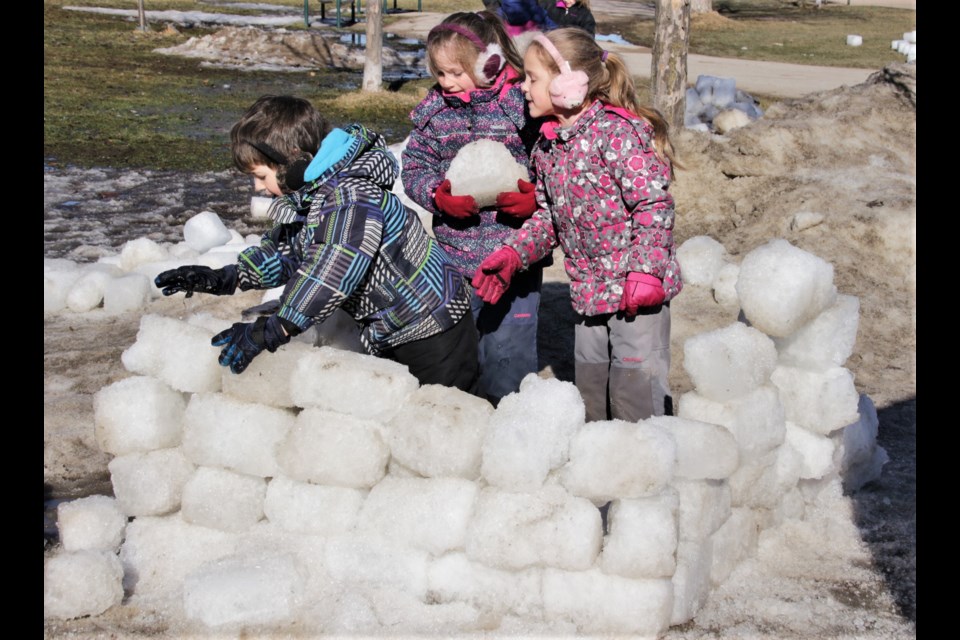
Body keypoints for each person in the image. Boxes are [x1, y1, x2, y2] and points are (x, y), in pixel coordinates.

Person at [154, 95, 480, 393]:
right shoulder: (319, 191)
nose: (258, 186)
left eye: (261, 175)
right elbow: (293, 248)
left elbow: (331, 270)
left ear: (293, 161)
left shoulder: (351, 195)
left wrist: (276, 327)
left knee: (442, 418)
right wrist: (227, 277)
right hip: (395, 323)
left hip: (432, 326)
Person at [472, 28, 683, 422]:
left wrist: (646, 271)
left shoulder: (617, 134)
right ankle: (600, 463)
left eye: (532, 78)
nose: (523, 88)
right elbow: (549, 215)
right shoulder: (549, 147)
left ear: (569, 81)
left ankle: (645, 468)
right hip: (590, 293)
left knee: (636, 391)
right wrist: (513, 253)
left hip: (636, 292)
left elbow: (653, 204)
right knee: (591, 387)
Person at [401, 11, 549, 406]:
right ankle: (463, 414)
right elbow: (415, 165)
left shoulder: (522, 106)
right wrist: (436, 196)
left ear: (490, 62)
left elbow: (551, 158)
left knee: (508, 351)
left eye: (456, 72)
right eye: (440, 73)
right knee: (458, 346)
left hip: (515, 255)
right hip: (454, 255)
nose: (447, 82)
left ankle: (508, 413)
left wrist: (536, 196)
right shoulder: (435, 114)